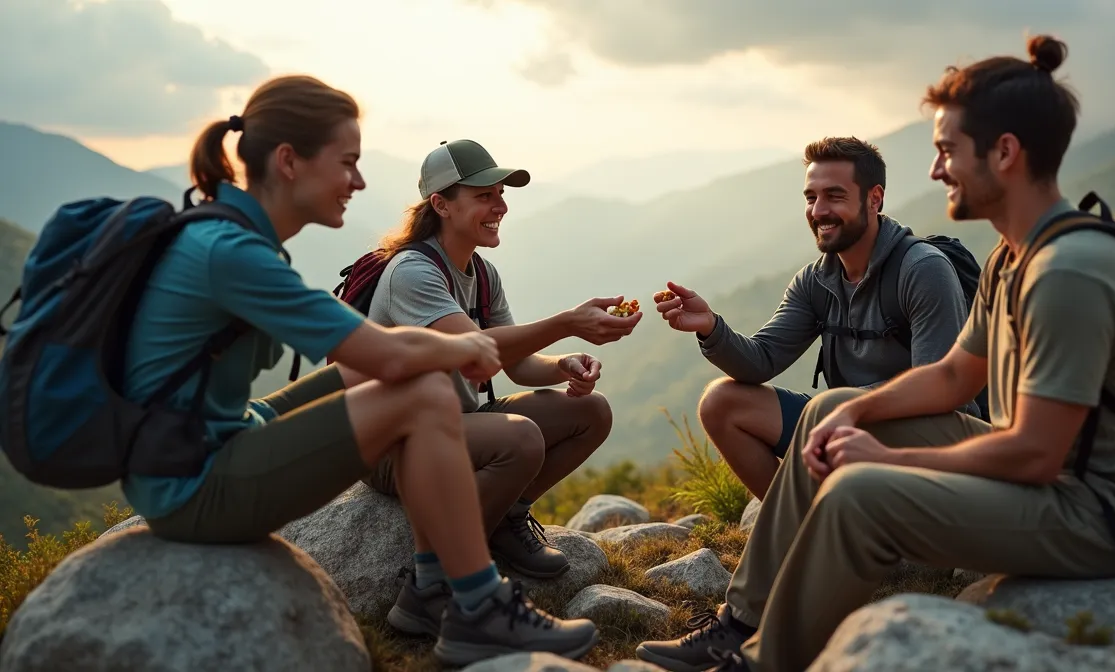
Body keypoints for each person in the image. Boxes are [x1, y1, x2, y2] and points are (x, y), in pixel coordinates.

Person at [635, 35, 1115, 672]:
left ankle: (765, 661)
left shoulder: (1067, 274)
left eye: (948, 151)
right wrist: (846, 417)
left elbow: (1035, 452)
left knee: (858, 492)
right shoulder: (1014, 257)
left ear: (1005, 153)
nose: (936, 170)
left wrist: (881, 459)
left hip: (1099, 517)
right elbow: (950, 377)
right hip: (1055, 489)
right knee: (826, 409)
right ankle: (744, 622)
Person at [120, 75, 598, 667]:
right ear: (290, 161)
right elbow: (391, 355)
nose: (360, 181)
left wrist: (270, 415)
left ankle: (440, 588)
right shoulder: (236, 254)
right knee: (421, 388)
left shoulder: (232, 239)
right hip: (193, 488)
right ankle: (471, 603)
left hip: (207, 451)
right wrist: (468, 348)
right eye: (347, 162)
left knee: (410, 383)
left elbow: (347, 369)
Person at [364, 138, 641, 633]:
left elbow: (518, 365)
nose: (501, 207)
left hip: (455, 426)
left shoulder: (483, 274)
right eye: (485, 196)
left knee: (591, 412)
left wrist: (565, 365)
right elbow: (477, 354)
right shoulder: (412, 273)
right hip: (394, 444)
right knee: (520, 437)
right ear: (441, 205)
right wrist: (568, 322)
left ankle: (505, 517)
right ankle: (429, 591)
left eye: (500, 194)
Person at [653, 136, 978, 500]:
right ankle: (799, 524)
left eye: (834, 196)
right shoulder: (816, 281)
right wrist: (711, 327)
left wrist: (844, 407)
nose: (818, 210)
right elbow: (761, 361)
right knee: (720, 403)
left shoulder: (922, 269)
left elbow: (940, 392)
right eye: (811, 197)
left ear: (874, 198)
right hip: (841, 424)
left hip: (928, 438)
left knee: (826, 405)